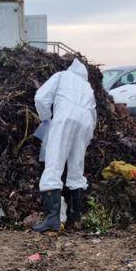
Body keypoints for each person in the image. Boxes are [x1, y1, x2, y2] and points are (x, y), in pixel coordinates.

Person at [33, 58, 97, 233]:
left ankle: (52, 219)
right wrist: (86, 139)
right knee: (76, 168)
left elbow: (40, 97)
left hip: (65, 119)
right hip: (85, 123)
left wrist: (46, 118)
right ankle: (76, 218)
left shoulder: (61, 76)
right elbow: (93, 115)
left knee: (54, 164)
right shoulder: (87, 87)